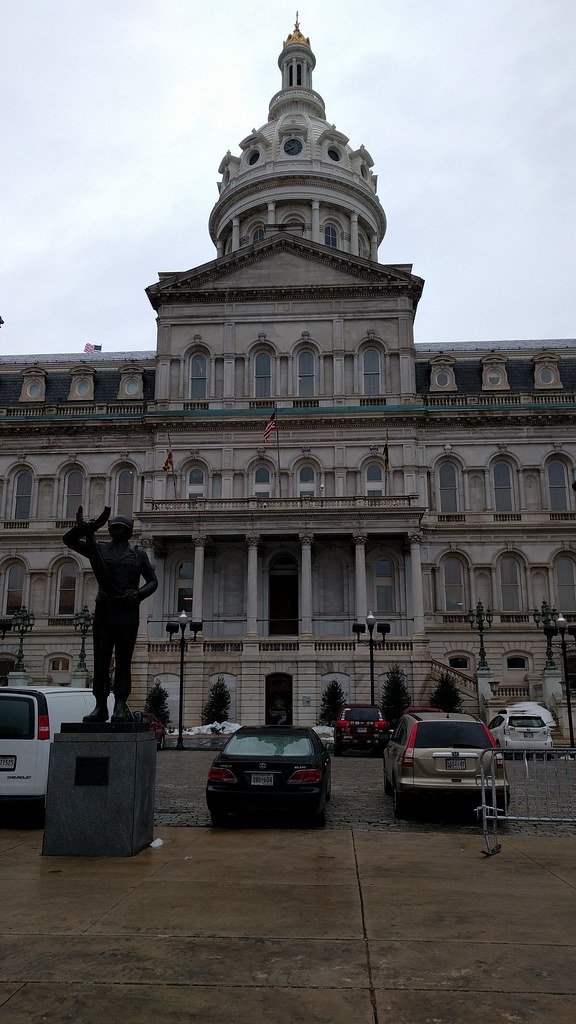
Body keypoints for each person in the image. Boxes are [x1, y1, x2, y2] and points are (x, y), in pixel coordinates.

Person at [63, 507, 158, 722]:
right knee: (101, 661)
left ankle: (121, 704)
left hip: (128, 612)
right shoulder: (99, 550)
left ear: (129, 532)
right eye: (114, 528)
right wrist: (86, 528)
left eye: (121, 529)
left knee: (124, 661)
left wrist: (139, 593)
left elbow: (153, 581)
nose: (117, 531)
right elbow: (68, 540)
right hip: (105, 611)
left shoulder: (138, 555)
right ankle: (100, 705)